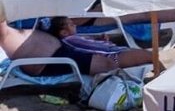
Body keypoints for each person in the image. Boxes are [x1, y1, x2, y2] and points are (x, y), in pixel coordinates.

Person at [0, 18, 156, 79]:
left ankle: (156, 71)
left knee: (141, 56)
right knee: (110, 63)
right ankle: (157, 74)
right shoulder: (6, 36)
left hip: (62, 52)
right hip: (53, 59)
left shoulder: (10, 31)